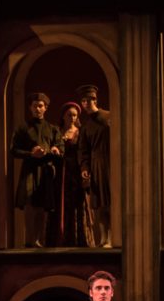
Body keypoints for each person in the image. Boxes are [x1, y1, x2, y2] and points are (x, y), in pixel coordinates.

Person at [11, 92, 63, 248]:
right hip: (29, 170)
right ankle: (29, 240)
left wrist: (55, 150)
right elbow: (14, 150)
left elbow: (61, 147)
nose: (37, 109)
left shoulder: (53, 129)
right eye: (34, 106)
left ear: (45, 108)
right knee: (29, 204)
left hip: (46, 171)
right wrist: (30, 153)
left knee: (42, 206)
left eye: (40, 106)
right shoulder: (23, 128)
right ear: (30, 108)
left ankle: (39, 240)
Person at [76, 85, 112, 248]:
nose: (85, 103)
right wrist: (85, 168)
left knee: (111, 202)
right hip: (96, 165)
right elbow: (83, 150)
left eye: (88, 100)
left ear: (95, 100)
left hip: (111, 162)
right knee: (99, 204)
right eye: (83, 101)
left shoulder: (108, 117)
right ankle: (104, 238)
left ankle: (112, 238)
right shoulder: (85, 126)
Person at [57, 102, 86, 246]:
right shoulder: (58, 132)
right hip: (61, 171)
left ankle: (77, 239)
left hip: (75, 171)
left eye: (75, 115)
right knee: (62, 203)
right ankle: (61, 238)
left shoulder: (80, 132)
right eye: (69, 115)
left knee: (76, 203)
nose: (72, 118)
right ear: (63, 116)